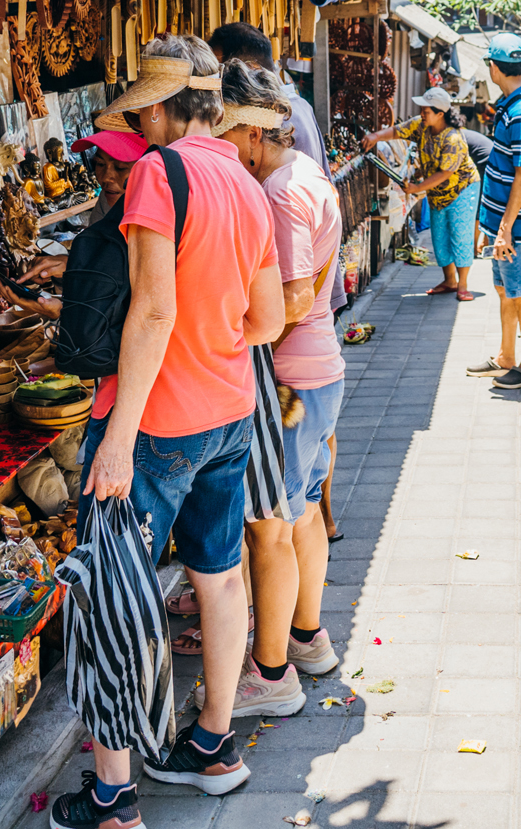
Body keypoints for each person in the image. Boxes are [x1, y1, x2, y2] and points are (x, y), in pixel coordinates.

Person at [52, 37, 284, 829]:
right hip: (228, 415)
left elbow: (153, 309)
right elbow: (268, 318)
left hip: (154, 422)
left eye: (140, 110)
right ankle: (214, 744)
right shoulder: (244, 179)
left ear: (155, 107)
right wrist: (212, 332)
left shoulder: (163, 171)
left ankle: (114, 796)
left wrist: (117, 436)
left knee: (113, 592)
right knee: (218, 577)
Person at [213, 62, 345, 717]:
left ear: (254, 132)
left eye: (228, 130)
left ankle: (271, 674)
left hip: (291, 375)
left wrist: (231, 321)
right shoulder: (306, 174)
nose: (224, 147)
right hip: (320, 369)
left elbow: (291, 295)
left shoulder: (281, 190)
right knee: (303, 512)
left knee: (274, 524)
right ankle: (307, 636)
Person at [0, 124, 151, 322]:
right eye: (100, 164)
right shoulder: (108, 199)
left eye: (121, 167)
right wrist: (69, 272)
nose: (105, 177)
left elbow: (135, 293)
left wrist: (74, 276)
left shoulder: (153, 214)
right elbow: (100, 257)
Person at [467, 32, 521, 390]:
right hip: (504, 220)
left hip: (513, 225)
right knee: (505, 289)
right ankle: (505, 357)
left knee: (520, 290)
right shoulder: (512, 105)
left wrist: (505, 228)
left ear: (494, 68)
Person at [362, 87, 480, 300]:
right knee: (439, 236)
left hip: (461, 189)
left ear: (440, 114)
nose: (422, 114)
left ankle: (462, 285)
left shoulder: (453, 139)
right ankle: (449, 281)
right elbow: (398, 131)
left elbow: (446, 172)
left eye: (426, 111)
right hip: (436, 191)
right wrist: (375, 136)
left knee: (460, 234)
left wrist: (417, 188)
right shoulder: (422, 125)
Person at [209, 22, 327, 179]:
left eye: (222, 72)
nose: (217, 82)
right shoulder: (301, 106)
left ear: (250, 69)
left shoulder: (272, 118)